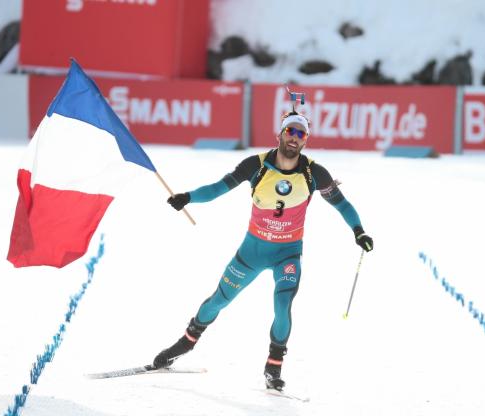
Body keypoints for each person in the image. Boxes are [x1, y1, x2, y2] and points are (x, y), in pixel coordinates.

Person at [152, 110, 373, 391]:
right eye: (289, 131)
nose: (294, 138)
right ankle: (186, 343)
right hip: (252, 252)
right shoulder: (255, 165)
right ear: (279, 134)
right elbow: (219, 188)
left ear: (306, 140)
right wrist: (188, 198)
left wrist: (359, 231)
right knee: (218, 301)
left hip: (288, 255)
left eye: (300, 134)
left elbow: (341, 204)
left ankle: (274, 365)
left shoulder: (313, 172)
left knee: (282, 305)